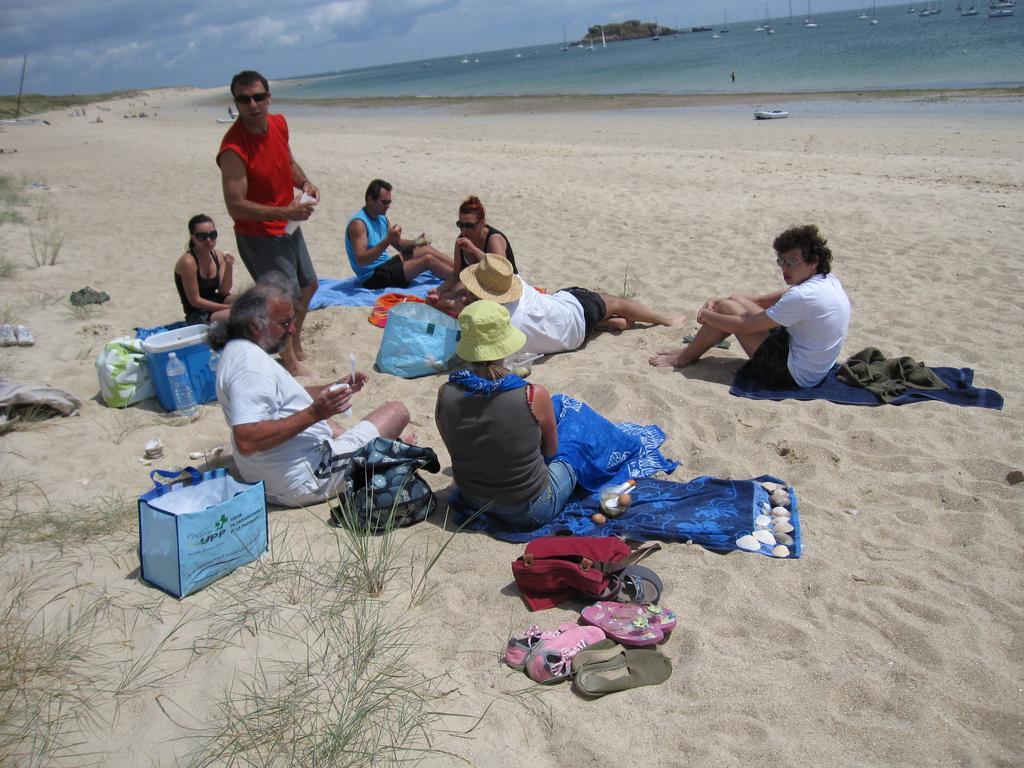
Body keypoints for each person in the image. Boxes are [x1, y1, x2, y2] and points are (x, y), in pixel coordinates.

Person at [211, 273, 411, 507]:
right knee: (397, 411)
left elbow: (285, 400)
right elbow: (246, 439)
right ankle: (384, 453)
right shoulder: (252, 368)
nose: (293, 329)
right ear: (256, 325)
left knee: (330, 426)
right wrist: (315, 413)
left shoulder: (237, 350)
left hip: (262, 477)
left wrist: (333, 388)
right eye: (284, 323)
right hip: (303, 480)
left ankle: (368, 447)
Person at [649, 224, 851, 388]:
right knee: (733, 301)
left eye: (792, 261)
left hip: (793, 375)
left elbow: (745, 327)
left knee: (728, 310)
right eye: (781, 260)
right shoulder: (826, 280)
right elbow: (761, 302)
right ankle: (690, 352)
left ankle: (683, 358)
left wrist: (707, 314)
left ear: (814, 261)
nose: (784, 268)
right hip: (811, 364)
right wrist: (719, 300)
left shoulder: (804, 295)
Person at [435, 300, 577, 531]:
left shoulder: (445, 394)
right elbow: (550, 452)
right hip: (530, 510)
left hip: (472, 500)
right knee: (575, 445)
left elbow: (458, 447)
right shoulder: (532, 395)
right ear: (505, 345)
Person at [217, 69, 319, 376]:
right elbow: (236, 205)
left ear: (268, 97)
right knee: (282, 299)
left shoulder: (278, 123)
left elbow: (286, 161)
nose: (253, 105)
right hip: (259, 234)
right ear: (236, 102)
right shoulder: (233, 148)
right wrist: (284, 212)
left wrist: (305, 184)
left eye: (258, 97)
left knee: (309, 284)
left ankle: (294, 343)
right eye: (245, 99)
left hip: (287, 226)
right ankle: (289, 361)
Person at [458, 254, 684, 355]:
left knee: (566, 307)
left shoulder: (497, 326)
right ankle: (664, 319)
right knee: (614, 301)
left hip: (568, 341)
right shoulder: (517, 282)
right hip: (572, 314)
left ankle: (606, 321)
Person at [345, 179, 454, 289]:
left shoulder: (382, 218)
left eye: (389, 202)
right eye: (384, 202)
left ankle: (464, 271)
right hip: (372, 277)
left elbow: (399, 245)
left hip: (385, 265)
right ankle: (461, 282)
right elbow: (361, 260)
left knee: (426, 249)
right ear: (370, 200)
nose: (388, 206)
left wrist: (415, 242)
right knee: (428, 260)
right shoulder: (358, 224)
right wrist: (387, 241)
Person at [429, 195, 516, 305]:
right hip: (480, 284)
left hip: (502, 287)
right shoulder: (461, 240)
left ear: (482, 222)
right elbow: (456, 274)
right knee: (445, 298)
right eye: (460, 225)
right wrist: (439, 291)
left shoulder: (494, 239)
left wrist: (473, 249)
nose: (464, 230)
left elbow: (500, 270)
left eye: (470, 226)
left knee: (460, 301)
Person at [173, 214, 235, 324]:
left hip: (216, 302)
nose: (208, 240)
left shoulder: (219, 255)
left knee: (252, 302)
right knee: (240, 314)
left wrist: (229, 267)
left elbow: (224, 291)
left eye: (212, 235)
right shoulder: (188, 262)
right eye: (202, 236)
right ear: (193, 238)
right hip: (197, 312)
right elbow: (195, 301)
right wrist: (225, 307)